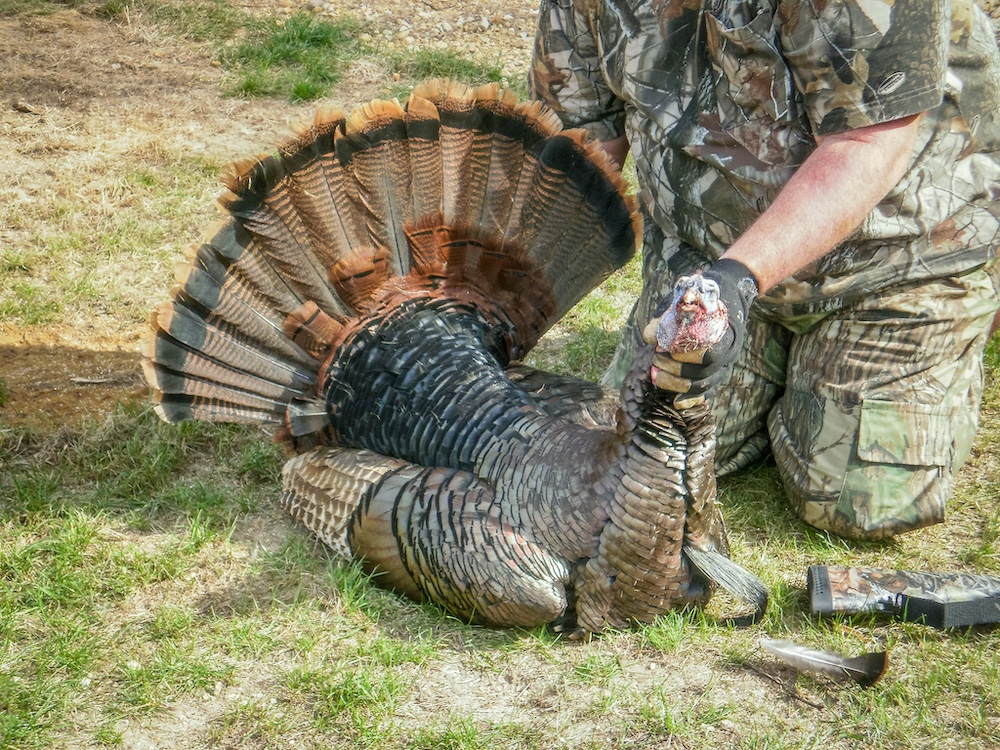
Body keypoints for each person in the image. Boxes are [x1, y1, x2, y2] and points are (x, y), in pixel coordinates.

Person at [529, 0, 1000, 539]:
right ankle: (781, 378)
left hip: (896, 260)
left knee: (856, 503)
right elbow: (583, 136)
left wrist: (735, 282)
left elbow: (867, 142)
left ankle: (947, 329)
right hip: (705, 255)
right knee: (630, 456)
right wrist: (505, 287)